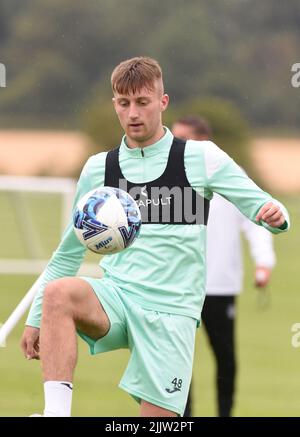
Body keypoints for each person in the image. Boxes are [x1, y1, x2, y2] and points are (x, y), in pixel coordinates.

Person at [20, 57, 289, 417]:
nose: (132, 113)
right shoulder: (99, 168)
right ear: (115, 103)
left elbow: (266, 209)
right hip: (117, 298)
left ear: (162, 103)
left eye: (142, 102)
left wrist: (275, 217)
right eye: (123, 102)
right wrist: (38, 316)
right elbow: (67, 253)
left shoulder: (202, 158)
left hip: (172, 311)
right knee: (58, 293)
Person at [172, 116, 276, 417]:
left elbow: (257, 220)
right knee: (178, 359)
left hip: (219, 284)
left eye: (183, 139)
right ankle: (182, 417)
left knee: (225, 358)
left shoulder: (231, 174)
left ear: (204, 141)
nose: (177, 146)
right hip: (178, 287)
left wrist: (264, 263)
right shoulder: (171, 176)